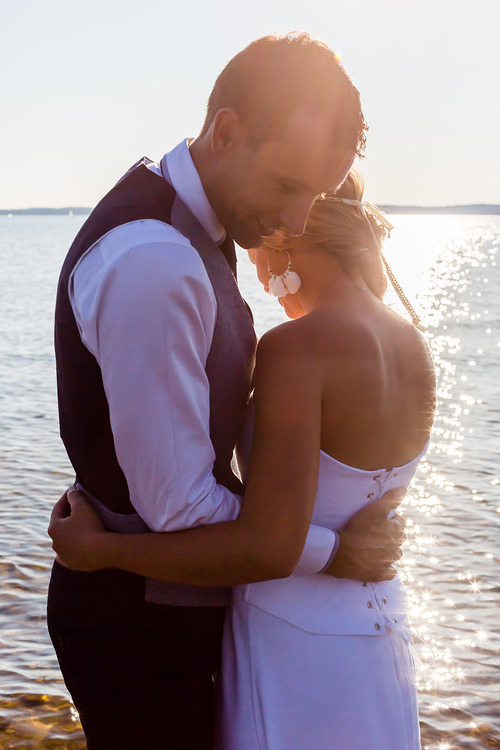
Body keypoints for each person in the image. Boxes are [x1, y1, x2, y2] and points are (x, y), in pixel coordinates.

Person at [48, 32, 407, 750]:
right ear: (226, 131)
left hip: (162, 613)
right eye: (286, 185)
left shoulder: (193, 228)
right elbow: (179, 509)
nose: (298, 221)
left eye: (317, 195)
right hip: (140, 629)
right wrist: (330, 548)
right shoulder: (156, 261)